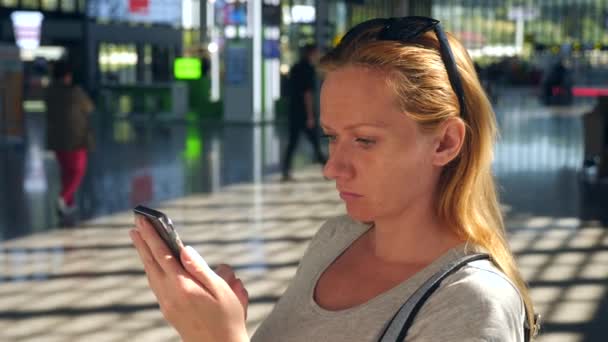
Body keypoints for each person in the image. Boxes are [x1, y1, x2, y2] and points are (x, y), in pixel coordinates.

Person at [130, 16, 539, 341]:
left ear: (445, 143)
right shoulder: (336, 239)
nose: (332, 167)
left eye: (364, 140)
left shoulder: (470, 305)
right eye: (332, 137)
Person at [45, 60, 95, 226]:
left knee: (66, 172)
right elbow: (89, 108)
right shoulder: (75, 92)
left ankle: (69, 204)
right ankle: (63, 198)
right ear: (68, 76)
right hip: (75, 139)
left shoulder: (50, 92)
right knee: (77, 172)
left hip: (57, 140)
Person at [281, 43, 327, 182]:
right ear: (310, 54)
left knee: (293, 142)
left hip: (293, 110)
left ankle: (285, 170)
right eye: (316, 53)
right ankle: (327, 167)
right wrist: (310, 115)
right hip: (303, 112)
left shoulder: (295, 67)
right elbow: (307, 94)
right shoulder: (308, 69)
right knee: (314, 141)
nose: (317, 56)